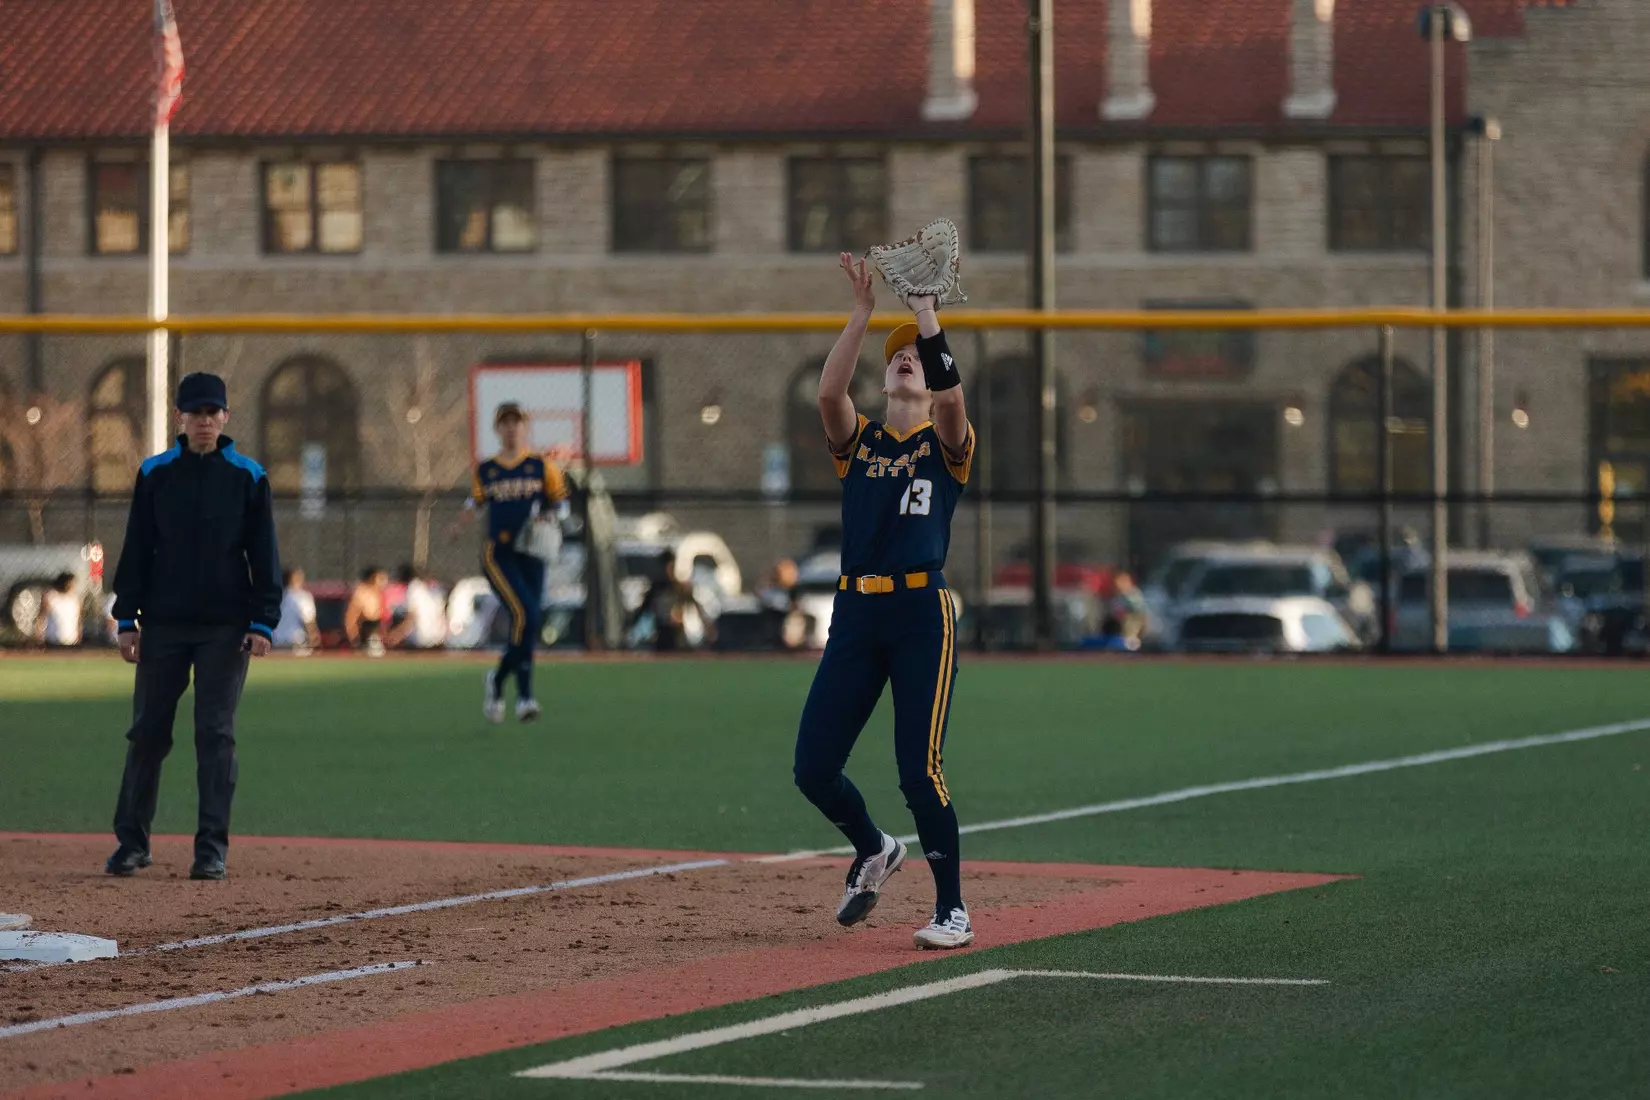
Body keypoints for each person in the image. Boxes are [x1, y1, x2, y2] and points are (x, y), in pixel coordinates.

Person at [792, 252, 978, 951]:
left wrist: (927, 314)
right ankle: (874, 848)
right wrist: (865, 314)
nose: (905, 362)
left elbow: (957, 402)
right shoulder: (862, 443)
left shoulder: (946, 443)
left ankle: (952, 909)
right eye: (896, 358)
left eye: (917, 359)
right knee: (813, 767)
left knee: (917, 769)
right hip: (857, 614)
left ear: (932, 382)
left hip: (920, 616)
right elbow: (827, 397)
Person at [106, 372, 280, 883]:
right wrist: (126, 618)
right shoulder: (156, 473)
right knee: (147, 733)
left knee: (215, 734)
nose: (204, 421)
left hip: (226, 629)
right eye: (195, 412)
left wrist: (263, 621)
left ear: (225, 416)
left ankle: (210, 850)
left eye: (213, 412)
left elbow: (263, 553)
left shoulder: (248, 476)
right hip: (163, 624)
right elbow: (137, 547)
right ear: (180, 416)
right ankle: (132, 842)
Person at [453, 402, 569, 723]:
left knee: (529, 621)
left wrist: (549, 515)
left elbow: (561, 504)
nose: (511, 428)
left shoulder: (540, 465)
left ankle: (498, 679)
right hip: (499, 553)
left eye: (516, 422)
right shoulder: (487, 469)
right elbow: (474, 503)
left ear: (525, 427)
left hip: (533, 551)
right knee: (524, 613)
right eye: (505, 423)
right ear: (497, 429)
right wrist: (459, 524)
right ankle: (526, 698)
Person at [389, 563, 448, 649]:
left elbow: (442, 616)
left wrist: (397, 635)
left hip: (437, 641)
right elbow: (412, 617)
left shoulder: (438, 590)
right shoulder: (416, 589)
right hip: (420, 642)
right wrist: (398, 634)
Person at [273, 567, 320, 655]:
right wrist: (314, 640)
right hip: (296, 643)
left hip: (276, 643)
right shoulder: (303, 597)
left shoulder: (276, 597)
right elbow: (309, 621)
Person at [344, 566, 389, 657]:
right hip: (367, 630)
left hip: (378, 630)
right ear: (372, 578)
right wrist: (354, 638)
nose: (384, 581)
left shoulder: (379, 593)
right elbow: (351, 618)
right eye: (380, 578)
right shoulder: (361, 592)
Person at [36, 572, 82, 646]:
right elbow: (41, 617)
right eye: (69, 583)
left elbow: (78, 620)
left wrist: (79, 636)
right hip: (53, 642)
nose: (71, 586)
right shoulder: (50, 597)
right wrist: (39, 635)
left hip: (71, 642)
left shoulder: (75, 599)